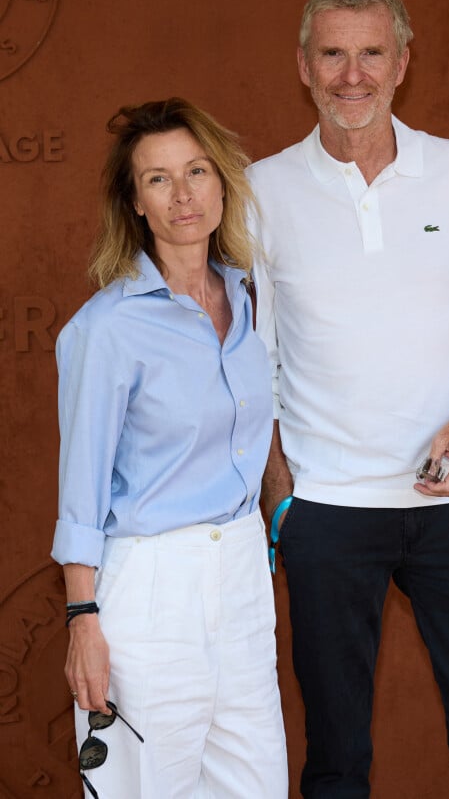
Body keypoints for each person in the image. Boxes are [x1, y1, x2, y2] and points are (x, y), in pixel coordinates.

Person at [248, 0, 449, 798]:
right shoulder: (262, 191)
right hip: (328, 515)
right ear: (304, 65)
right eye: (333, 54)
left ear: (402, 61)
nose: (353, 75)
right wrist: (280, 499)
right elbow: (252, 361)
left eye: (371, 52)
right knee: (335, 763)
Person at [51, 98, 288, 799]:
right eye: (157, 179)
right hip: (150, 592)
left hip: (244, 583)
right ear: (135, 204)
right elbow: (82, 492)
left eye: (196, 170)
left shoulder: (246, 298)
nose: (182, 194)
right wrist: (83, 621)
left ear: (222, 183)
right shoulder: (108, 329)